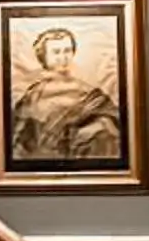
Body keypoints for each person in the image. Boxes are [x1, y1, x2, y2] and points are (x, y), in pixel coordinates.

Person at [10, 22, 122, 164]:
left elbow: (111, 123)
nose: (63, 57)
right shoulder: (32, 96)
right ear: (43, 56)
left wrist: (91, 130)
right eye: (56, 52)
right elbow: (18, 137)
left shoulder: (90, 94)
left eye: (67, 50)